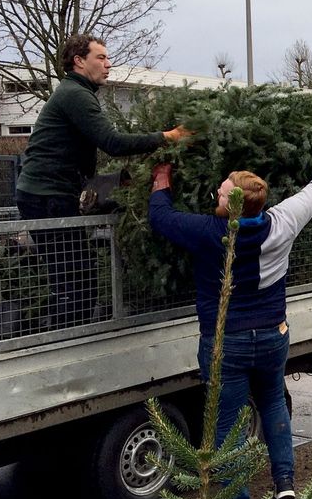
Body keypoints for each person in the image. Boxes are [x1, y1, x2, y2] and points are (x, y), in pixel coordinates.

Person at [147, 133, 312, 499]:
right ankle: (284, 483)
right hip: (273, 335)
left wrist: (162, 176)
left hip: (227, 344)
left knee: (229, 423)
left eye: (221, 193)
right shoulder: (284, 220)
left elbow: (161, 217)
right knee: (273, 401)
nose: (217, 194)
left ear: (231, 205)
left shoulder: (210, 232)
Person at [15, 33, 190, 327]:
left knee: (78, 275)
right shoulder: (75, 94)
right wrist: (167, 137)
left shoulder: (76, 92)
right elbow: (112, 142)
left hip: (50, 193)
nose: (108, 64)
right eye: (101, 58)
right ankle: (67, 338)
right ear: (79, 61)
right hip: (47, 197)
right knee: (72, 279)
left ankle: (73, 333)